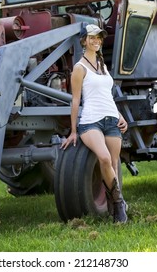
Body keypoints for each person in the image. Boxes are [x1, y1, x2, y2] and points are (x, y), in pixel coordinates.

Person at [60, 24, 128, 223]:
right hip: (91, 122)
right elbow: (75, 101)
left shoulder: (103, 66)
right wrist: (73, 131)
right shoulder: (79, 68)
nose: (96, 41)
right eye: (92, 37)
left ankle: (113, 208)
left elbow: (107, 95)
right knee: (105, 159)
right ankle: (120, 203)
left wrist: (119, 114)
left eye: (99, 37)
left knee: (114, 164)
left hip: (111, 118)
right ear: (84, 40)